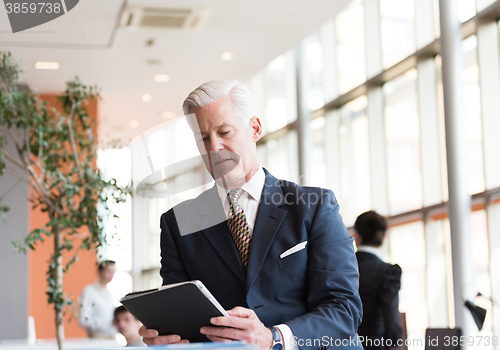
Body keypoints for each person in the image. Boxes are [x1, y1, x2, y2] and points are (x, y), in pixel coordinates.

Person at [139, 79, 363, 350]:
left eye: (225, 132)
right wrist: (169, 337)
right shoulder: (177, 223)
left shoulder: (314, 206)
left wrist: (274, 338)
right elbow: (183, 317)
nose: (214, 148)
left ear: (254, 129)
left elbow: (344, 309)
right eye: (203, 138)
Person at [353, 211, 403, 350]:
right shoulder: (388, 272)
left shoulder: (340, 268)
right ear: (384, 237)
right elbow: (391, 319)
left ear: (356, 235)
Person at [79, 260, 117, 339]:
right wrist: (109, 322)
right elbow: (83, 320)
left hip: (112, 337)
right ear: (100, 272)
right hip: (97, 338)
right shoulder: (89, 291)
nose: (111, 275)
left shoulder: (110, 295)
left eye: (113, 272)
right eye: (108, 271)